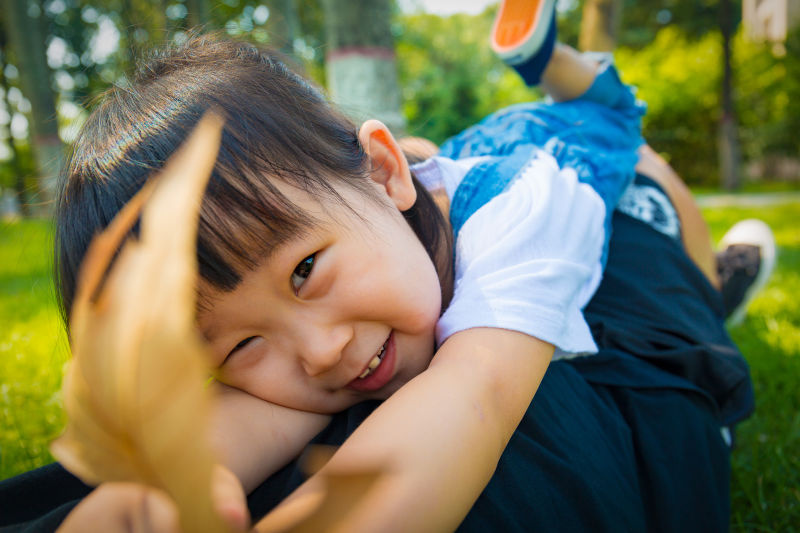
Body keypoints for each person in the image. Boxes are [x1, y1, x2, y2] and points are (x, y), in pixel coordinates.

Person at [0, 1, 770, 531]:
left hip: (579, 172)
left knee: (626, 141)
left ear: (382, 171)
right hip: (419, 185)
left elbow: (478, 391)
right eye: (236, 346)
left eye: (304, 271)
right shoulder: (325, 311)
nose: (318, 348)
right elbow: (242, 417)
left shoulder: (527, 209)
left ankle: (708, 287)